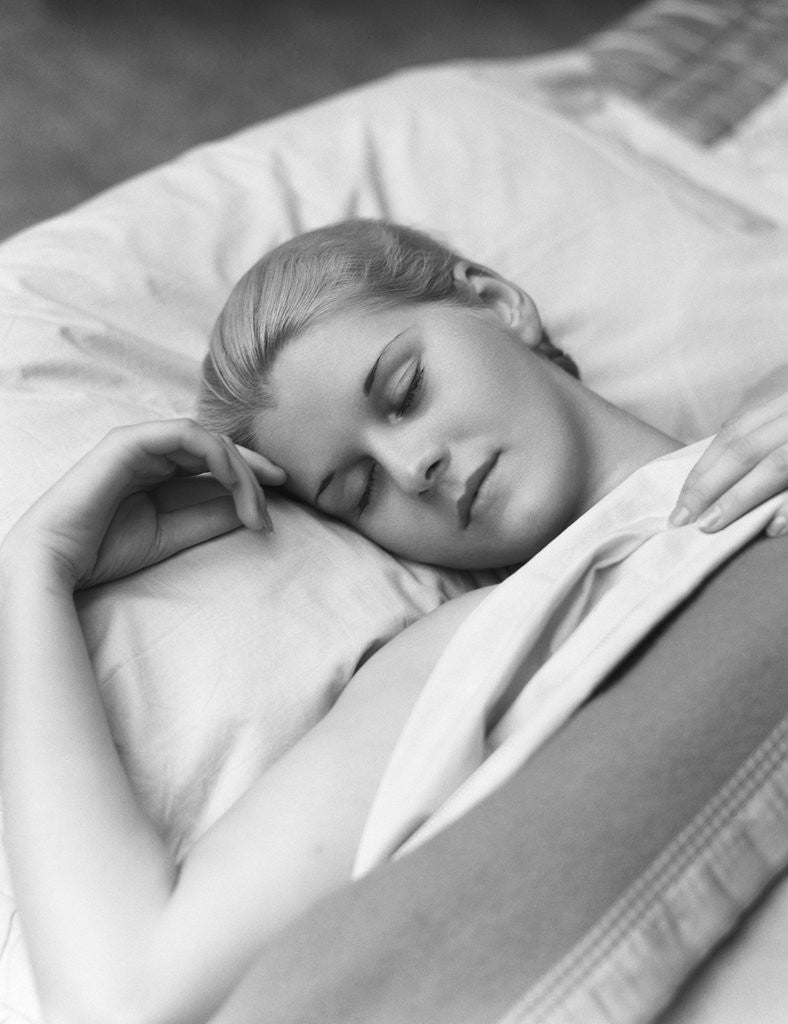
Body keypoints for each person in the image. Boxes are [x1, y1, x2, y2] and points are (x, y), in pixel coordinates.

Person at [0, 219, 786, 1024]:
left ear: (497, 303)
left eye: (406, 392)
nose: (413, 469)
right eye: (359, 490)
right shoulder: (470, 643)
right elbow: (126, 994)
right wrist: (34, 573)